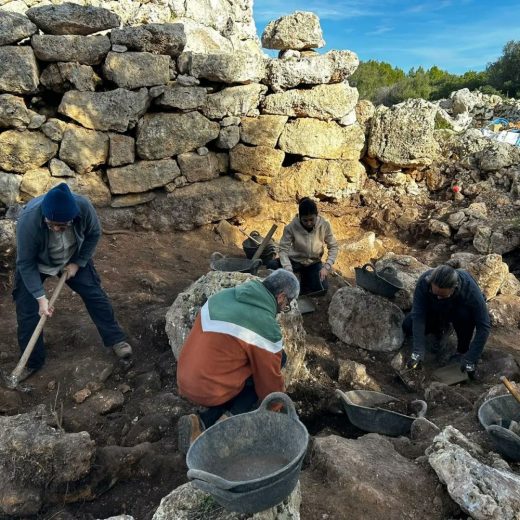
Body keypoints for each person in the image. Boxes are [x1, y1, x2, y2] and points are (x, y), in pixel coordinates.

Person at [13, 183, 132, 381]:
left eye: (62, 226)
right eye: (52, 225)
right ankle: (32, 361)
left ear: (72, 217)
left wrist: (78, 262)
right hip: (37, 263)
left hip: (71, 257)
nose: (57, 230)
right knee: (27, 311)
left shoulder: (83, 208)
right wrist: (41, 298)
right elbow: (25, 263)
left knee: (94, 294)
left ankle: (116, 340)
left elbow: (94, 234)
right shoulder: (29, 220)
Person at [176, 269, 300, 453]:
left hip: (185, 378)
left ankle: (199, 422)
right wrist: (275, 405)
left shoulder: (223, 296)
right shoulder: (265, 325)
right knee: (275, 363)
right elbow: (268, 380)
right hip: (209, 389)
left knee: (250, 363)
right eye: (287, 305)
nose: (283, 310)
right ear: (281, 298)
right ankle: (225, 426)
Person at [403, 264, 491, 378]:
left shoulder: (469, 289)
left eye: (442, 295)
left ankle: (462, 351)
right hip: (434, 310)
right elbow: (418, 316)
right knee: (407, 325)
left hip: (457, 312)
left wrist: (471, 358)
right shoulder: (425, 282)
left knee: (464, 315)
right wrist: (417, 352)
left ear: (455, 288)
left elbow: (484, 326)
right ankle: (441, 327)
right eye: (435, 294)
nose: (438, 297)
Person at [277, 197, 338, 295]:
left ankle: (305, 280)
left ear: (316, 216)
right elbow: (283, 250)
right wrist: (288, 269)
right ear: (300, 217)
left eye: (311, 219)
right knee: (272, 266)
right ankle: (300, 279)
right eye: (305, 220)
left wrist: (326, 267)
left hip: (313, 263)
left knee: (322, 289)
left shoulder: (324, 226)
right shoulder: (291, 227)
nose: (309, 223)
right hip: (294, 261)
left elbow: (333, 246)